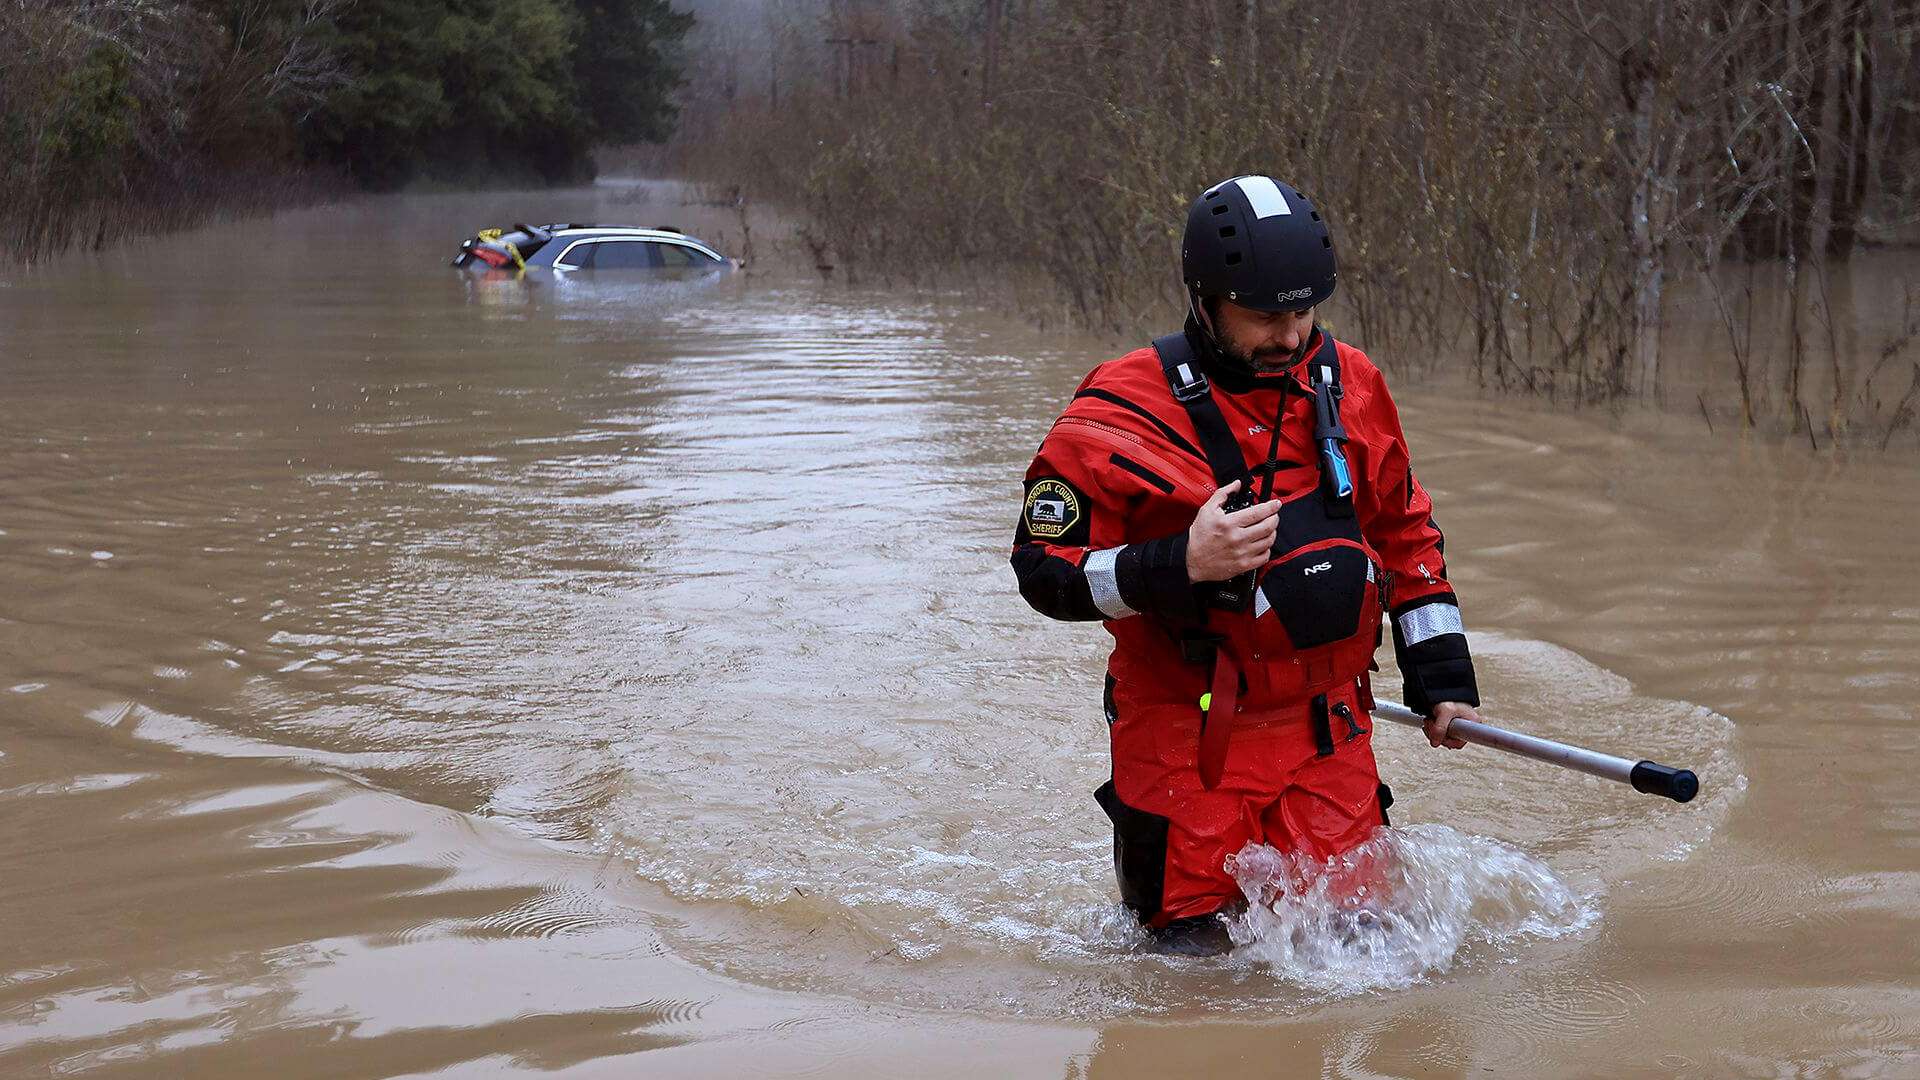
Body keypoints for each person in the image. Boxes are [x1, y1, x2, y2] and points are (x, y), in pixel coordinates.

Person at [1009, 175, 1482, 954]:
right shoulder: (1118, 407)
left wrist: (1444, 677)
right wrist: (1177, 562)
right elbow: (1044, 572)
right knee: (1188, 984)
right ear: (1204, 298)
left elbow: (1403, 531)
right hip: (1185, 741)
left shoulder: (1351, 382)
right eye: (1266, 316)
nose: (1292, 336)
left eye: (1304, 312)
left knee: (1369, 955)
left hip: (1330, 736)